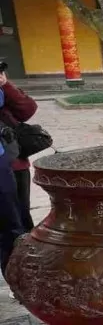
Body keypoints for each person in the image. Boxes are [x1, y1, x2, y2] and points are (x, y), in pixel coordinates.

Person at [0, 62, 39, 230]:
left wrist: (5, 85)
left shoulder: (5, 91)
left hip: (15, 162)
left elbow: (28, 110)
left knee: (21, 214)